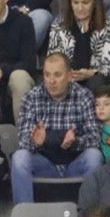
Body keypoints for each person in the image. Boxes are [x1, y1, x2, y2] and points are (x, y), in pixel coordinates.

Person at [9, 52, 104, 205]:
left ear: (69, 75)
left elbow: (95, 138)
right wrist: (36, 142)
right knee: (19, 158)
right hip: (45, 163)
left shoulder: (84, 96)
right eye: (47, 75)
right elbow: (22, 140)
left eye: (57, 75)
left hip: (74, 162)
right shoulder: (31, 97)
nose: (51, 81)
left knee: (94, 156)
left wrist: (75, 142)